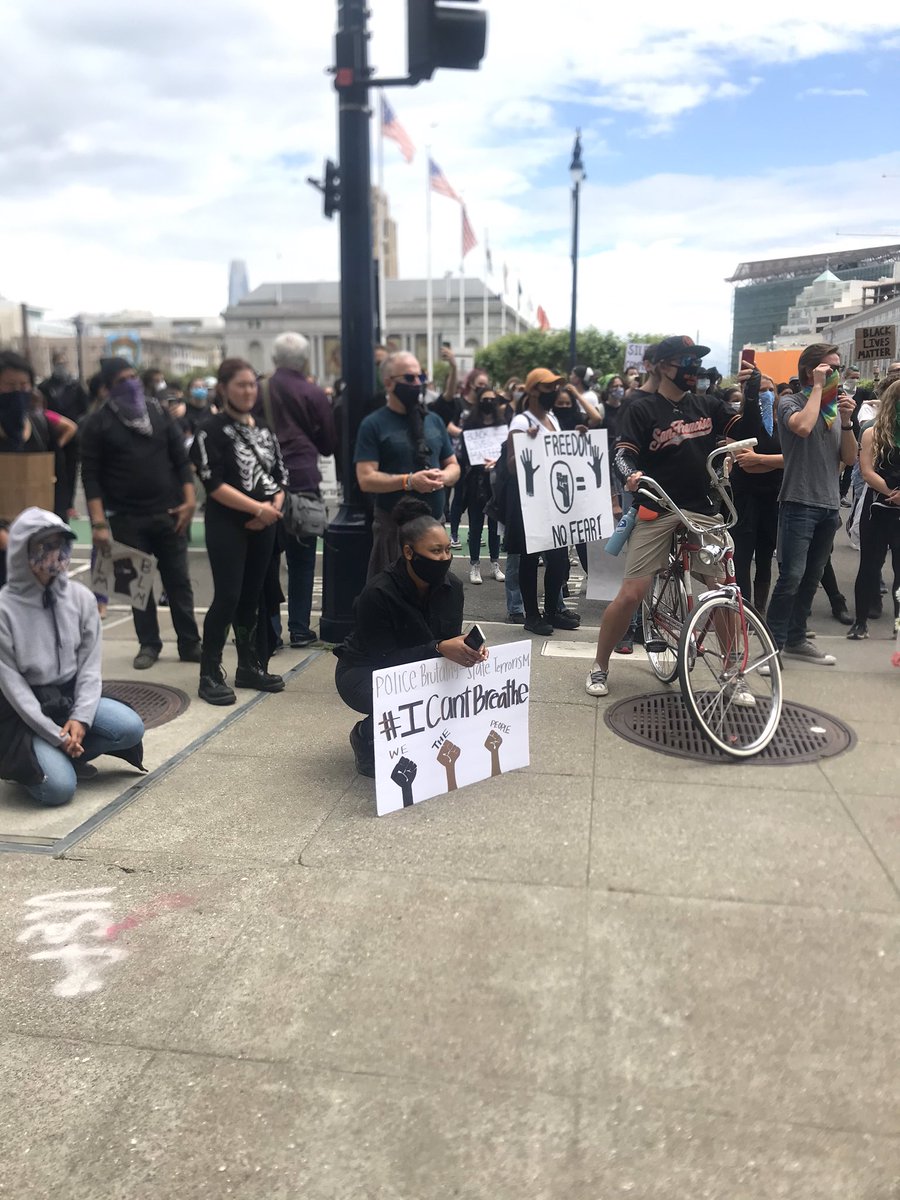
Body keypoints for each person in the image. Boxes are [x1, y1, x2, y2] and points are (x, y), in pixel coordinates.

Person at [586, 336, 735, 697]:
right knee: (633, 591)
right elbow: (622, 453)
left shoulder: (706, 404)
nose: (692, 368)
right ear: (662, 365)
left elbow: (744, 427)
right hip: (658, 507)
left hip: (701, 509)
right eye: (684, 360)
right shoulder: (641, 407)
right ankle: (599, 665)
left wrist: (756, 404)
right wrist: (630, 476)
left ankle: (732, 669)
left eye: (696, 361)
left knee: (724, 590)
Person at [0, 508, 145, 806]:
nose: (56, 554)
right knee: (59, 790)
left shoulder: (81, 598)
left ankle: (66, 749)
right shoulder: (4, 609)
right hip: (24, 712)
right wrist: (53, 734)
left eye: (61, 544)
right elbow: (13, 687)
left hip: (69, 698)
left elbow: (90, 666)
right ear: (21, 551)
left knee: (130, 727)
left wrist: (81, 717)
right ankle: (42, 758)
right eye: (45, 545)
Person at [334, 497, 487, 776]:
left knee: (447, 690)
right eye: (435, 551)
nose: (443, 558)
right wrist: (440, 648)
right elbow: (386, 660)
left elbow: (448, 639)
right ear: (408, 552)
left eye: (447, 550)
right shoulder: (378, 593)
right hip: (365, 670)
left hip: (420, 665)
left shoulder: (452, 586)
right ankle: (366, 734)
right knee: (403, 697)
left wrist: (467, 649)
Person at [80, 356, 202, 670]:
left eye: (133, 376)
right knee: (137, 587)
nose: (130, 384)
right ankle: (148, 644)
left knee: (178, 582)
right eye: (122, 380)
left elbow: (180, 458)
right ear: (107, 388)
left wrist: (189, 502)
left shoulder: (158, 413)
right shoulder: (97, 423)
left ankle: (189, 643)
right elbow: (90, 476)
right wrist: (97, 523)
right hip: (125, 517)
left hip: (170, 513)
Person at [191, 358, 288, 705]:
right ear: (223, 388)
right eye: (240, 385)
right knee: (228, 596)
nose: (248, 391)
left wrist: (272, 508)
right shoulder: (210, 430)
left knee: (252, 597)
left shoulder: (264, 428)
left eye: (252, 385)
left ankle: (249, 664)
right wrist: (256, 509)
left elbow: (279, 475)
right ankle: (209, 671)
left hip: (264, 524)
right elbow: (212, 482)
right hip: (228, 524)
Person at [761, 343, 858, 667]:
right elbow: (801, 427)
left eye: (837, 369)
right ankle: (772, 648)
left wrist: (846, 420)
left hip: (829, 506)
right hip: (799, 503)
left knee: (811, 577)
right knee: (791, 577)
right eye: (829, 369)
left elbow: (849, 458)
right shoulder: (791, 402)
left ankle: (797, 639)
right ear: (810, 370)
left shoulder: (832, 411)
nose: (836, 375)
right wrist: (818, 387)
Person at [258, 332, 336, 648]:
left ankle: (270, 630)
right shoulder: (312, 392)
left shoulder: (259, 389)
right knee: (302, 559)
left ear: (275, 360)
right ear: (305, 360)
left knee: (264, 559)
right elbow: (328, 444)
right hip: (302, 478)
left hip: (262, 481)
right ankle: (300, 628)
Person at [355, 352, 460, 579]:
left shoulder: (433, 420)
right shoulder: (373, 424)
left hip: (434, 528)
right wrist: (409, 481)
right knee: (392, 601)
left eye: (421, 377)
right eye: (410, 378)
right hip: (395, 531)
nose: (418, 383)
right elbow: (365, 478)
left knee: (436, 603)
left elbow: (453, 465)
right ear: (389, 383)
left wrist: (443, 477)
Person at [504, 368, 579, 636]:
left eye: (556, 388)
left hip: (554, 498)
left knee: (559, 559)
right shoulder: (521, 423)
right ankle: (532, 615)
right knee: (529, 557)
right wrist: (529, 443)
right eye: (548, 388)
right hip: (530, 501)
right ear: (533, 390)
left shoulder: (552, 418)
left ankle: (552, 610)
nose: (554, 393)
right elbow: (512, 466)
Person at [846, 378, 900, 639]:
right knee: (869, 565)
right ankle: (860, 621)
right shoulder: (872, 432)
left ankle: (898, 626)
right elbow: (867, 471)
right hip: (877, 506)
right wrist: (891, 493)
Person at [728, 368, 783, 612]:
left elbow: (793, 458)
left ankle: (759, 611)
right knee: (741, 558)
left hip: (774, 498)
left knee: (764, 557)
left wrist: (760, 459)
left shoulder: (783, 424)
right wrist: (776, 462)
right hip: (745, 498)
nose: (768, 394)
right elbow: (745, 464)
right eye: (761, 390)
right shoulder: (739, 423)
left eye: (771, 390)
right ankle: (744, 610)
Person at [0, 351, 74, 524]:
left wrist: (60, 523)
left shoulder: (41, 426)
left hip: (40, 534)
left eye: (24, 384)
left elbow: (60, 478)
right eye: (9, 385)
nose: (17, 391)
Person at [456, 386, 506, 584]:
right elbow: (464, 454)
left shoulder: (501, 425)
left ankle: (495, 563)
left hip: (495, 482)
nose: (489, 403)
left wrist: (496, 464)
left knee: (495, 525)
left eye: (492, 399)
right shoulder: (470, 426)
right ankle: (474, 564)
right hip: (476, 481)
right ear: (479, 402)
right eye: (485, 399)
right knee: (476, 525)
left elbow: (505, 450)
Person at [38, 351, 89, 519]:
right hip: (51, 434)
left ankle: (69, 505)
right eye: (58, 363)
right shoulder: (45, 386)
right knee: (53, 471)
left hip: (72, 435)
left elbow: (84, 408)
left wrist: (78, 424)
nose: (61, 366)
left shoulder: (75, 386)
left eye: (64, 363)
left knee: (71, 471)